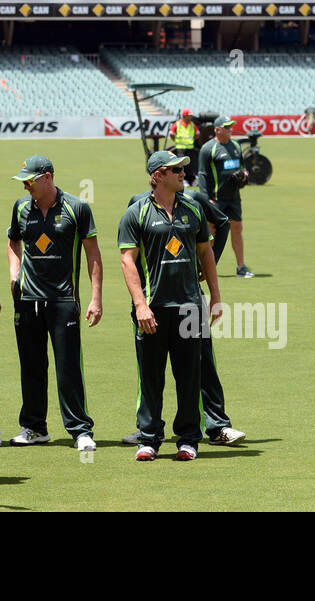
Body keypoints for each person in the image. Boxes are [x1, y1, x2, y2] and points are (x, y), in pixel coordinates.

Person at [122, 176, 245, 449]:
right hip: (154, 301)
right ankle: (149, 430)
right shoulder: (138, 206)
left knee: (202, 365)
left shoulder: (195, 201)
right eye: (175, 168)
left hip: (190, 299)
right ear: (158, 175)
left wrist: (205, 267)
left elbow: (221, 225)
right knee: (151, 370)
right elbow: (130, 255)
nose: (181, 173)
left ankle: (216, 426)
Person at [6, 155, 102, 451]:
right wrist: (14, 274)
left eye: (30, 180)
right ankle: (34, 427)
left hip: (64, 300)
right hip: (28, 300)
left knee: (68, 367)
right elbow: (13, 242)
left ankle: (80, 429)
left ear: (47, 177)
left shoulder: (77, 207)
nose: (26, 186)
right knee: (31, 366)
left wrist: (95, 297)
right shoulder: (21, 207)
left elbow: (93, 254)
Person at [198, 114, 253, 278]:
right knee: (211, 231)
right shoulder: (208, 148)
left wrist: (245, 173)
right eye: (227, 127)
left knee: (237, 228)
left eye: (231, 127)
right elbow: (202, 175)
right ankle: (206, 267)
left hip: (234, 197)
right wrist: (205, 199)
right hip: (215, 198)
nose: (230, 130)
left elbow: (241, 165)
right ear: (218, 130)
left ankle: (241, 267)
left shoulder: (235, 145)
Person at [169, 109, 198, 185]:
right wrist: (176, 140)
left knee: (190, 165)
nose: (191, 116)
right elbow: (171, 133)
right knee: (181, 165)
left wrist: (192, 140)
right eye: (189, 115)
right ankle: (183, 180)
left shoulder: (192, 124)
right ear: (185, 116)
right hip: (180, 148)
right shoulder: (177, 124)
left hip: (190, 147)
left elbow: (197, 134)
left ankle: (191, 180)